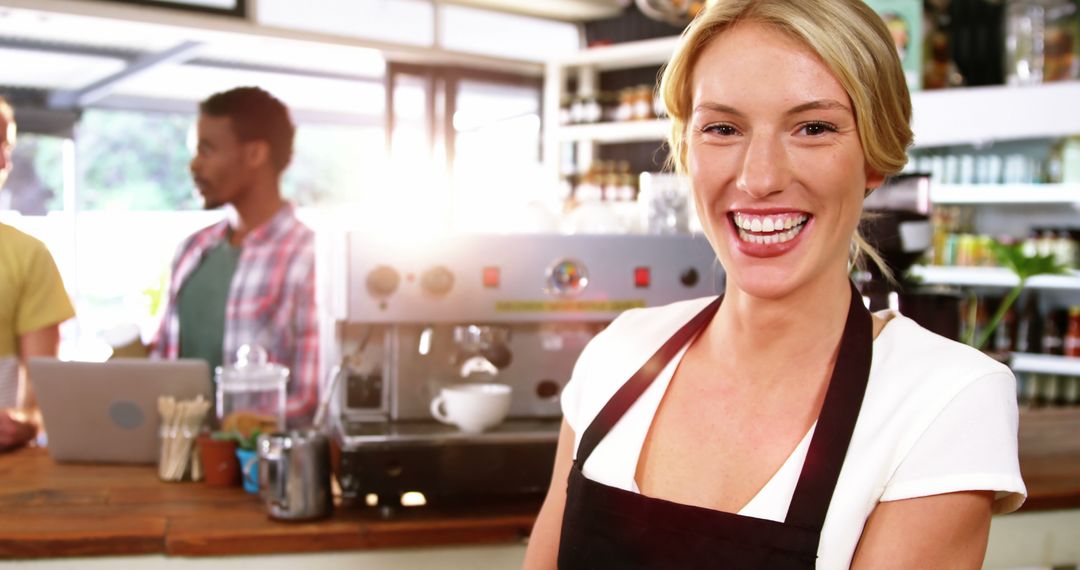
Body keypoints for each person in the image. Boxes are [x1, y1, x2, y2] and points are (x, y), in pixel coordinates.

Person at [524, 1, 1026, 568]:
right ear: (687, 149)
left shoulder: (945, 399)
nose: (759, 177)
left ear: (874, 158)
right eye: (722, 128)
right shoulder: (616, 354)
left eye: (813, 127)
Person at [151, 86, 319, 427]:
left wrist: (243, 426)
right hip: (176, 465)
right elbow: (163, 361)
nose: (195, 165)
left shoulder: (310, 258)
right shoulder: (192, 250)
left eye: (207, 150)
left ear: (255, 154)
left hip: (258, 471)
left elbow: (312, 398)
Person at [0, 96, 76, 451]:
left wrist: (26, 423)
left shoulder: (28, 255)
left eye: (6, 148)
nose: (4, 162)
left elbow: (43, 394)